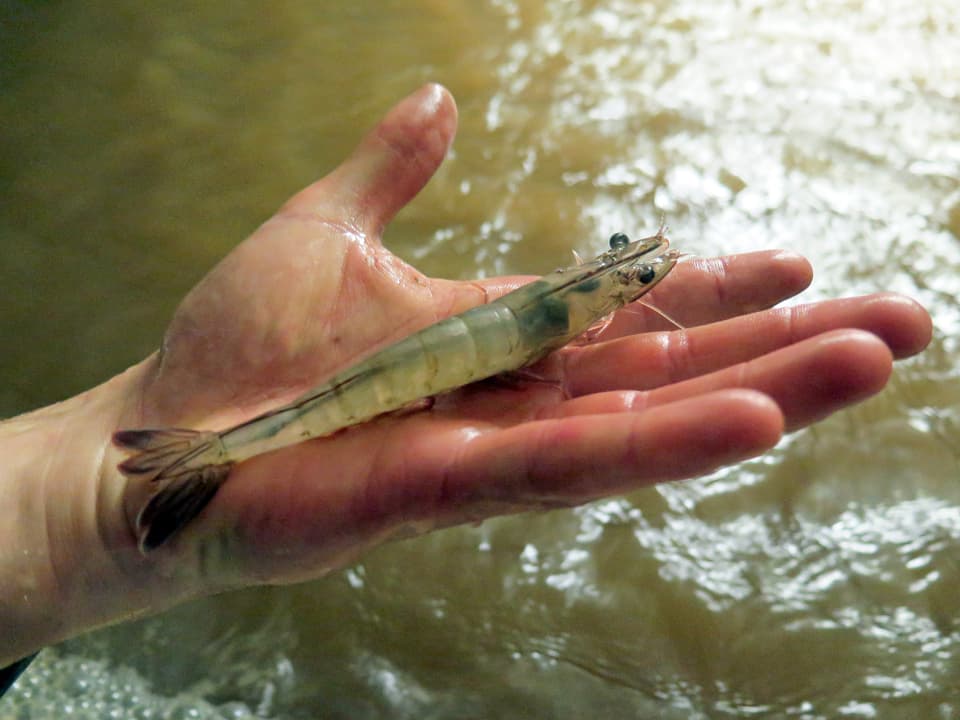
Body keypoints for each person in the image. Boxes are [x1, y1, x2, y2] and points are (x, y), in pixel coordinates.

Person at [0, 84, 932, 677]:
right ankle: (200, 458)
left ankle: (196, 460)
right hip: (409, 371)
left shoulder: (571, 303)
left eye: (638, 275)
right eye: (635, 272)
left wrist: (81, 526)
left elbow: (563, 317)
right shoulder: (569, 320)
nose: (642, 277)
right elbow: (553, 334)